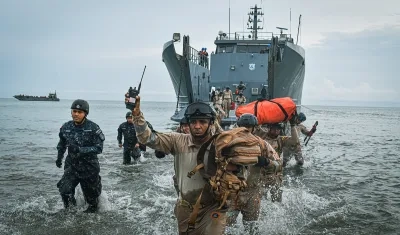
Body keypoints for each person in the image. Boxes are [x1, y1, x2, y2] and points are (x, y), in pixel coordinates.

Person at [128, 95, 227, 234]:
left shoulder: (221, 143)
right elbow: (147, 137)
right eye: (193, 122)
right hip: (185, 208)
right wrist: (137, 114)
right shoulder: (177, 141)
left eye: (202, 122)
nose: (197, 126)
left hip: (212, 207)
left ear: (211, 123)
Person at [226, 114, 281, 234]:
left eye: (249, 127)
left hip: (253, 192)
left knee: (251, 228)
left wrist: (266, 162)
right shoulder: (228, 142)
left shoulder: (262, 145)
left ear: (255, 128)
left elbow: (278, 164)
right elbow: (214, 162)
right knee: (226, 228)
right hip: (231, 192)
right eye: (243, 126)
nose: (245, 129)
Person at [56, 99, 105, 213]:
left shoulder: (93, 127)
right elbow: (62, 144)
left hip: (89, 167)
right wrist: (59, 158)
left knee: (92, 200)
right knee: (64, 190)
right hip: (72, 166)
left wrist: (81, 150)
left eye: (79, 112)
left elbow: (99, 148)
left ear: (85, 113)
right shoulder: (66, 127)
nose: (76, 114)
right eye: (74, 111)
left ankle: (90, 219)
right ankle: (70, 213)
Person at [253, 118, 298, 202]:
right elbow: (253, 130)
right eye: (274, 129)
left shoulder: (281, 139)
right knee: (260, 199)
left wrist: (292, 125)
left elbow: (295, 141)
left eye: (278, 129)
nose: (276, 131)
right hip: (261, 173)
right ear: (269, 128)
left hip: (276, 174)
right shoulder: (262, 135)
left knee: (277, 200)